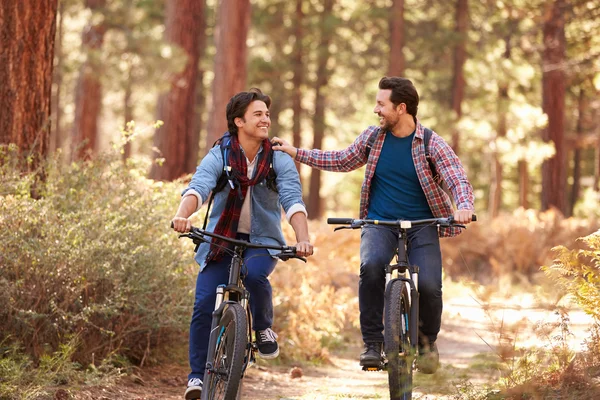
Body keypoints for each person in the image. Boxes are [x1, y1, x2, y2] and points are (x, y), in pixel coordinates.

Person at [272, 76, 474, 374]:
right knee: (371, 267)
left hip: (422, 225)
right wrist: (296, 152)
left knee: (430, 286)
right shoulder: (373, 137)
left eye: (382, 104)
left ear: (401, 108)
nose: (376, 110)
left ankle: (427, 344)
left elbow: (456, 177)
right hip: (379, 222)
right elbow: (341, 160)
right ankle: (372, 344)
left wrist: (464, 207)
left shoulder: (431, 142)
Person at [171, 88, 314, 398]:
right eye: (258, 114)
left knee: (254, 274)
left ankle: (262, 327)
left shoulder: (278, 159)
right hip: (221, 239)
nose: (266, 120)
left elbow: (292, 199)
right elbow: (200, 187)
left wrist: (303, 238)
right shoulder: (220, 154)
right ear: (239, 121)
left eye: (267, 114)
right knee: (203, 304)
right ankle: (196, 378)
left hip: (262, 241)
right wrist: (182, 216)